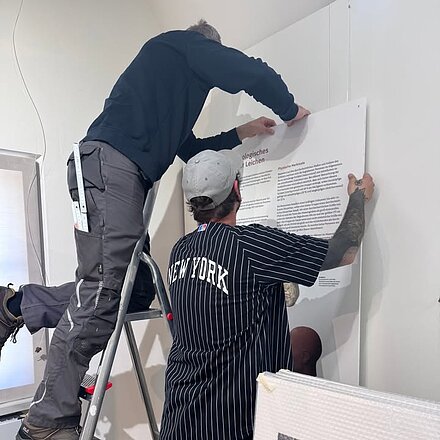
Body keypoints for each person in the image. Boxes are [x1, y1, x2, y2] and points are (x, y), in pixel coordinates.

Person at [0, 19, 311, 440]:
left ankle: (17, 305)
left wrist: (243, 132)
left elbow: (192, 148)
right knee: (103, 292)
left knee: (135, 290)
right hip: (112, 170)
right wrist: (290, 110)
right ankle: (48, 419)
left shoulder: (163, 91)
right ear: (206, 45)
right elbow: (251, 71)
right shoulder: (184, 46)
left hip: (106, 170)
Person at [160, 149, 374, 440]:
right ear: (236, 189)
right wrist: (358, 195)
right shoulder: (250, 245)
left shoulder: (181, 249)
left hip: (179, 419)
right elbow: (345, 251)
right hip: (230, 425)